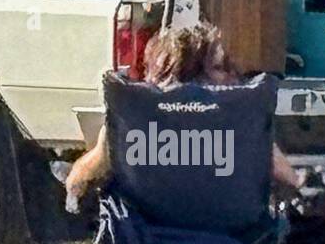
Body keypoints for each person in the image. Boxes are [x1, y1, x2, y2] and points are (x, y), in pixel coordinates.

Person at [65, 22, 299, 212]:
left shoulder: (132, 117)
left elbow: (77, 184)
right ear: (189, 68)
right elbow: (289, 180)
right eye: (221, 67)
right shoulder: (241, 118)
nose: (233, 75)